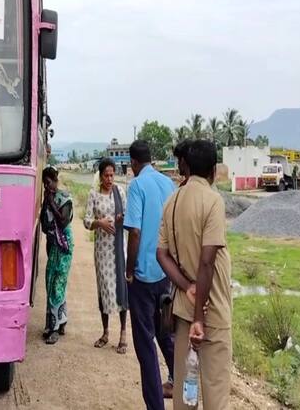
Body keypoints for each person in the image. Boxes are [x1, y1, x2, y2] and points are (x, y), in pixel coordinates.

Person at [157, 140, 233, 410]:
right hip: (212, 313)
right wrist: (201, 316)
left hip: (183, 310)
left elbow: (162, 254)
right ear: (213, 170)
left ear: (186, 166)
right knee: (216, 393)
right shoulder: (213, 201)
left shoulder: (172, 202)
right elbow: (207, 262)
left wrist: (187, 286)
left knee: (184, 395)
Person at [123, 140, 177, 408]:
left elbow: (134, 231)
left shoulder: (136, 186)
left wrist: (129, 270)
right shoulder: (168, 184)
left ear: (133, 163)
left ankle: (155, 405)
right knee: (165, 334)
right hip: (166, 274)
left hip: (143, 277)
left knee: (145, 346)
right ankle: (181, 386)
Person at [84, 158, 129, 354]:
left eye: (112, 175)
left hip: (118, 248)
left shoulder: (120, 192)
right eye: (106, 175)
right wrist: (99, 223)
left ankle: (123, 334)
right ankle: (105, 332)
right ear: (100, 176)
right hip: (102, 251)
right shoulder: (93, 194)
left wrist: (120, 218)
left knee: (121, 288)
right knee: (104, 289)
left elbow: (128, 214)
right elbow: (86, 221)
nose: (110, 179)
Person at [40, 167, 74, 345]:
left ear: (55, 180)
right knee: (51, 282)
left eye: (48, 183)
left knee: (57, 284)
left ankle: (54, 329)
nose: (47, 186)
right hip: (52, 246)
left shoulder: (64, 198)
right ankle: (59, 320)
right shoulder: (47, 199)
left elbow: (63, 221)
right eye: (44, 184)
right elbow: (44, 225)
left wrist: (51, 203)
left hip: (64, 246)